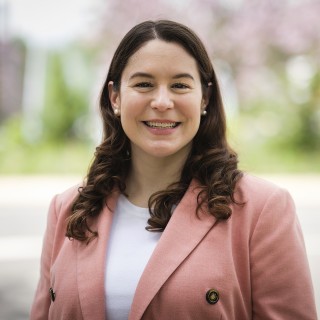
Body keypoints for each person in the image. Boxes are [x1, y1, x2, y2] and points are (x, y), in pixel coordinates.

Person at [30, 20, 317, 320]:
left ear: (204, 98)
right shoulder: (67, 210)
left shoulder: (261, 210)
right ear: (115, 97)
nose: (162, 102)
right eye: (144, 84)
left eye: (180, 85)